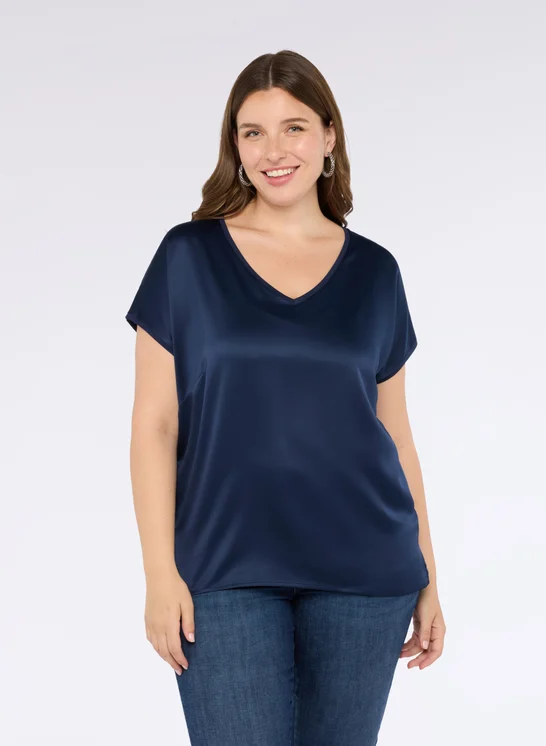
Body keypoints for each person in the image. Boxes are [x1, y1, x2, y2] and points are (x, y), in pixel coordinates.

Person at [125, 49, 446, 746]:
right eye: (254, 132)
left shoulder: (375, 272)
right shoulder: (188, 257)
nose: (274, 150)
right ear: (235, 147)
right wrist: (158, 573)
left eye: (294, 128)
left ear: (329, 137)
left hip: (366, 573)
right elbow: (154, 426)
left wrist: (429, 574)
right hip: (223, 569)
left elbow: (395, 435)